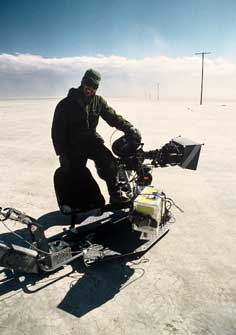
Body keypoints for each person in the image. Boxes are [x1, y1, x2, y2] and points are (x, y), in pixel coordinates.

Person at [51, 68, 141, 204]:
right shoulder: (66, 104)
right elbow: (57, 131)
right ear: (82, 82)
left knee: (110, 164)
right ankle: (78, 203)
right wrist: (62, 153)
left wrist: (129, 128)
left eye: (94, 86)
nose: (90, 88)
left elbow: (113, 117)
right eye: (88, 84)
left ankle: (115, 195)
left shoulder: (99, 102)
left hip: (91, 141)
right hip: (72, 146)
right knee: (75, 174)